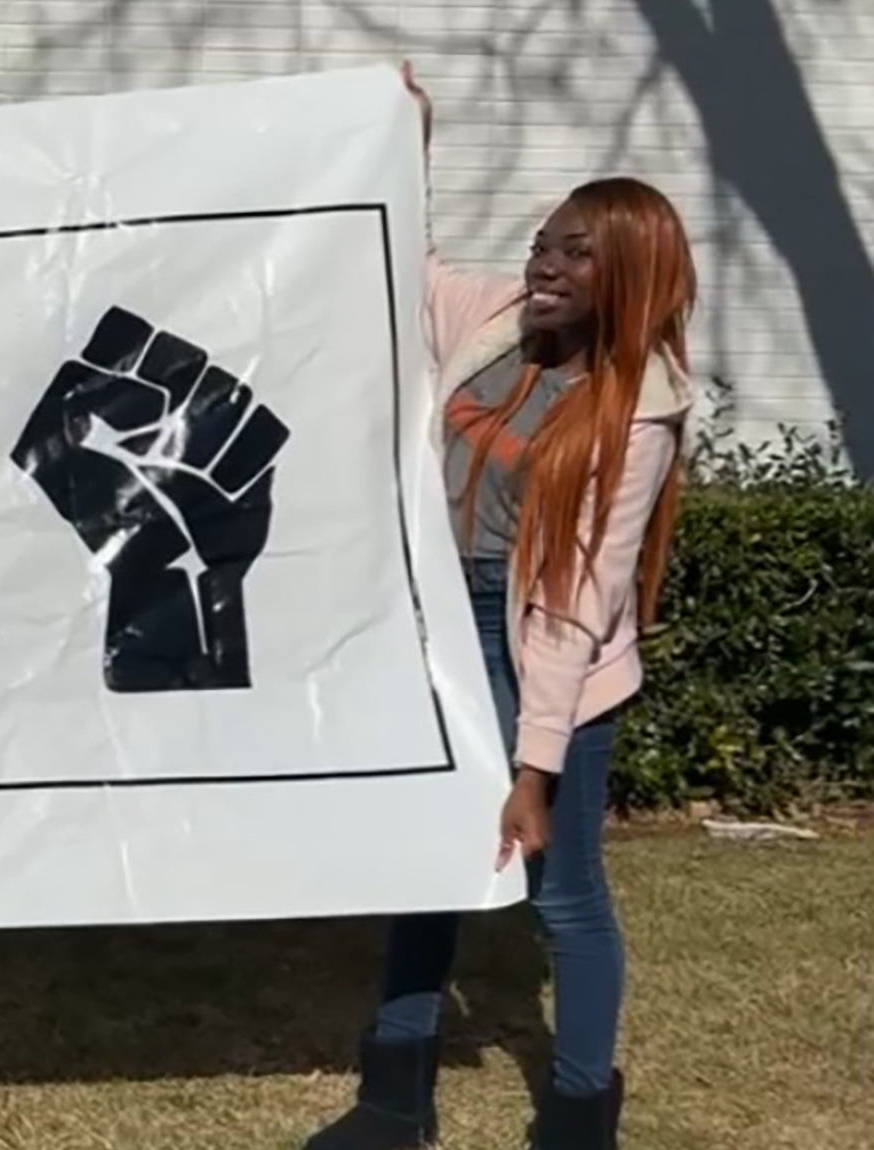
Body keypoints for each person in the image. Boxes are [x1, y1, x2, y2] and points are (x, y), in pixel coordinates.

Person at [303, 64, 697, 1150]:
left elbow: (574, 605)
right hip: (443, 621)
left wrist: (532, 771)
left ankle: (577, 1117)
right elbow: (397, 260)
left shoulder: (639, 414)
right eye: (544, 240)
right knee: (425, 860)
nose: (547, 260)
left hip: (541, 653)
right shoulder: (493, 317)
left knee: (559, 892)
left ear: (629, 274)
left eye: (578, 250)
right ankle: (391, 1100)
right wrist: (401, 137)